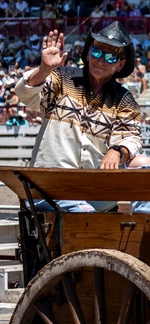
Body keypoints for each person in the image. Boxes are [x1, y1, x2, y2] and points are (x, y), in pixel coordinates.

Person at [14, 24, 142, 212]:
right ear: (89, 53)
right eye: (97, 52)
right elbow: (26, 94)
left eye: (110, 57)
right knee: (84, 213)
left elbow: (131, 137)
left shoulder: (124, 99)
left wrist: (116, 150)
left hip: (91, 190)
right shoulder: (62, 78)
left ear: (120, 64)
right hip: (50, 187)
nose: (101, 60)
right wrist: (44, 70)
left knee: (144, 166)